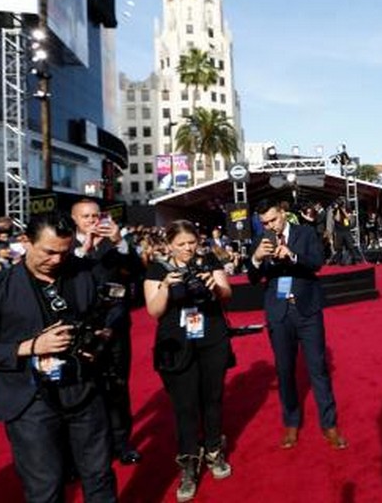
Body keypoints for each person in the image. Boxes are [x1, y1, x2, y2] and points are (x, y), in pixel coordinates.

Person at [0, 212, 118, 502]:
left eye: (64, 252)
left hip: (83, 390)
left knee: (100, 478)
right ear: (26, 242)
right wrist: (32, 346)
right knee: (45, 489)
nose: (57, 260)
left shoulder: (85, 272)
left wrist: (100, 337)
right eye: (48, 252)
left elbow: (111, 313)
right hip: (29, 401)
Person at [143, 220, 233, 502]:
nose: (187, 249)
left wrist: (215, 287)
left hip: (212, 337)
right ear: (169, 245)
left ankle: (214, 450)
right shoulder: (158, 269)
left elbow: (227, 294)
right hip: (175, 342)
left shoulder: (208, 261)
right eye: (181, 244)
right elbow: (153, 311)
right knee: (185, 406)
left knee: (213, 398)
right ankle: (189, 463)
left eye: (191, 243)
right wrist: (166, 288)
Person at [248, 198, 347, 451]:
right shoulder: (260, 239)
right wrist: (256, 258)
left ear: (283, 213)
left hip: (307, 310)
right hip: (278, 312)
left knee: (318, 368)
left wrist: (292, 256)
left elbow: (317, 263)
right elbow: (252, 278)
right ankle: (291, 422)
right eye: (264, 223)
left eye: (273, 219)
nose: (270, 226)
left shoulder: (305, 232)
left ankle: (329, 424)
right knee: (284, 370)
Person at [70, 198, 141, 466]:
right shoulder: (67, 247)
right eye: (86, 216)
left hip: (115, 327)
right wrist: (83, 250)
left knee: (118, 387)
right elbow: (64, 278)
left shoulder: (115, 246)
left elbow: (138, 271)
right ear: (75, 219)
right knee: (84, 390)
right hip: (81, 331)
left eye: (95, 216)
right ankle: (88, 448)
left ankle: (121, 443)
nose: (92, 221)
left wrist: (120, 241)